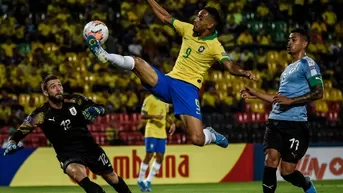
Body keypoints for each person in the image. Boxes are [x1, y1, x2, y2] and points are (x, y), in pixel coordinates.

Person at [86, 2, 255, 150]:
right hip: (169, 82)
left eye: (200, 18)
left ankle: (211, 135)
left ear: (210, 25)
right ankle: (104, 55)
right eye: (197, 16)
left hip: (187, 89)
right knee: (138, 63)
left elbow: (229, 65)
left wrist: (243, 72)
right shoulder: (188, 29)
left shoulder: (215, 46)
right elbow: (166, 17)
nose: (195, 20)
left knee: (197, 139)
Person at [3, 75, 132, 193]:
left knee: (112, 178)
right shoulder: (41, 114)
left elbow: (102, 108)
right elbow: (21, 130)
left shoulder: (74, 100)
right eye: (53, 87)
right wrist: (12, 142)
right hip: (67, 153)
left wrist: (97, 109)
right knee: (78, 175)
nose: (58, 89)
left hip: (89, 147)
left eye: (59, 85)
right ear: (46, 92)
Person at [241, 28, 322, 193]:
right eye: (289, 39)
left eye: (294, 39)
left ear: (304, 43)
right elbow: (278, 98)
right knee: (270, 160)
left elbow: (319, 93)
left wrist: (292, 101)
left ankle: (306, 185)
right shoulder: (287, 69)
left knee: (287, 172)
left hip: (295, 124)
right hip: (275, 121)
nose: (289, 42)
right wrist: (255, 94)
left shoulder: (308, 64)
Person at [137, 94, 176, 192]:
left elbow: (165, 116)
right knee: (149, 155)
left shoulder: (165, 100)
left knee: (160, 157)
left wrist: (172, 123)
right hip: (151, 131)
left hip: (162, 133)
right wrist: (155, 116)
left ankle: (148, 180)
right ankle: (140, 179)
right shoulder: (149, 99)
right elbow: (142, 115)